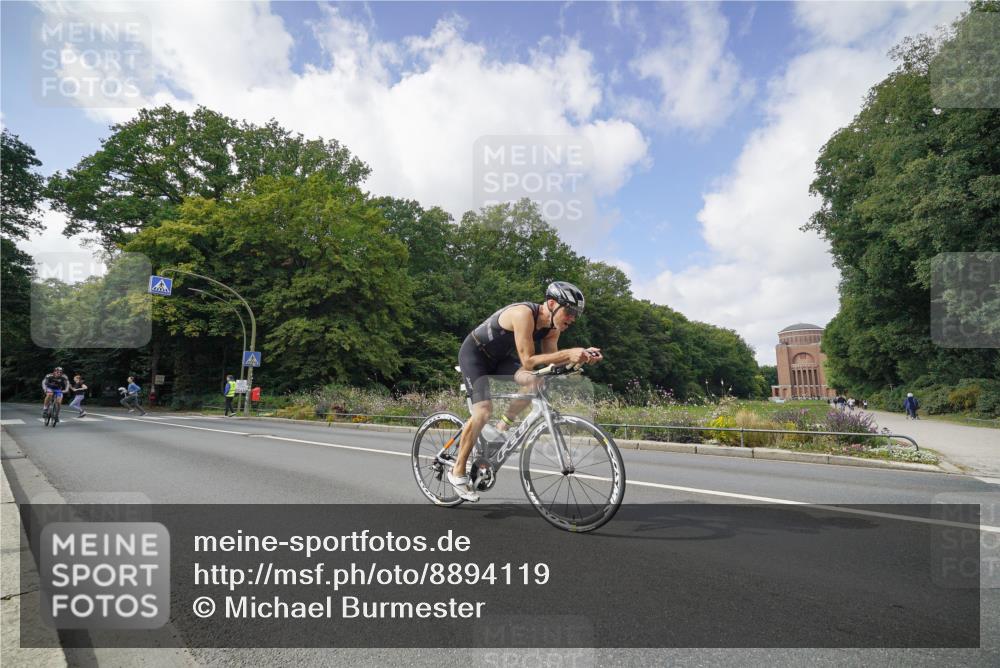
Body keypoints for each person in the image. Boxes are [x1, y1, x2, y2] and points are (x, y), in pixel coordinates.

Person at [450, 281, 603, 501]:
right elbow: (529, 361)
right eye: (569, 311)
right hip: (475, 355)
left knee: (536, 382)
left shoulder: (552, 330)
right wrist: (570, 353)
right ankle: (457, 470)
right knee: (483, 412)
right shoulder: (523, 314)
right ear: (551, 304)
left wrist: (580, 359)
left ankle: (502, 426)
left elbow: (549, 366)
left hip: (501, 359)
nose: (572, 318)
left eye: (576, 314)